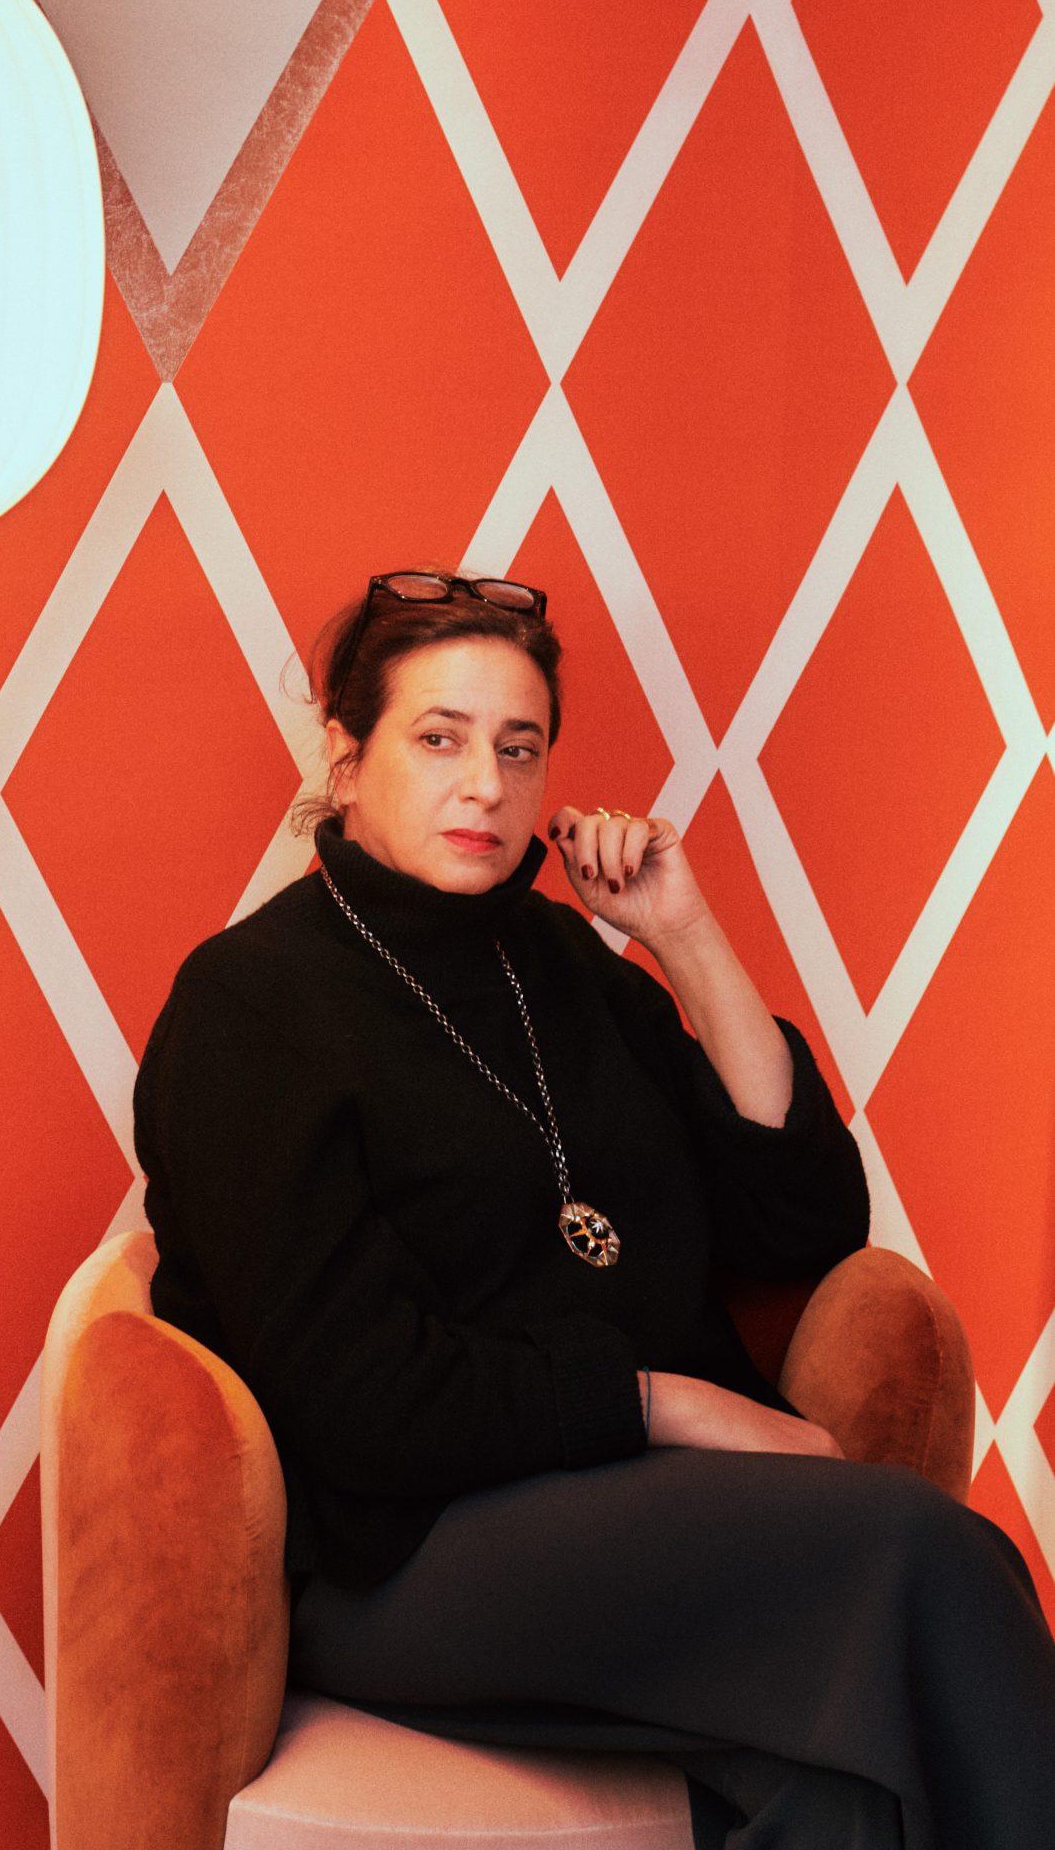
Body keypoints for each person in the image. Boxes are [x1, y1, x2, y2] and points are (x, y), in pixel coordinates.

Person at [133, 570, 1055, 1849]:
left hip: (644, 1530)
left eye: (520, 749)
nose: (488, 787)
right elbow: (358, 1403)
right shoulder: (248, 1008)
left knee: (839, 1785)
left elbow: (803, 1221)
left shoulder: (561, 961)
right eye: (439, 739)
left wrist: (684, 936)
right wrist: (667, 1403)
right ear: (346, 762)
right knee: (931, 1556)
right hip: (407, 1552)